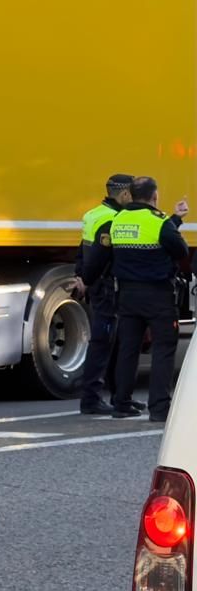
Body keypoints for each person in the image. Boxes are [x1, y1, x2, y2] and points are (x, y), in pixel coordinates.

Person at [106, 176, 189, 422]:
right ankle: (159, 408)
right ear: (154, 197)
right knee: (163, 349)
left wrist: (175, 218)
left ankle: (121, 403)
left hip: (127, 295)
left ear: (130, 195)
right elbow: (180, 250)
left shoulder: (118, 220)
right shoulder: (160, 222)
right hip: (157, 296)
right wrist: (174, 221)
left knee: (128, 349)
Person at [74, 173, 138, 415]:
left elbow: (82, 249)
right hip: (108, 287)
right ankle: (91, 399)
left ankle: (118, 396)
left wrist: (80, 275)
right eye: (132, 194)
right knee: (102, 343)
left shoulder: (92, 214)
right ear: (124, 194)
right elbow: (105, 257)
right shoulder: (115, 219)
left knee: (113, 343)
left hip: (98, 286)